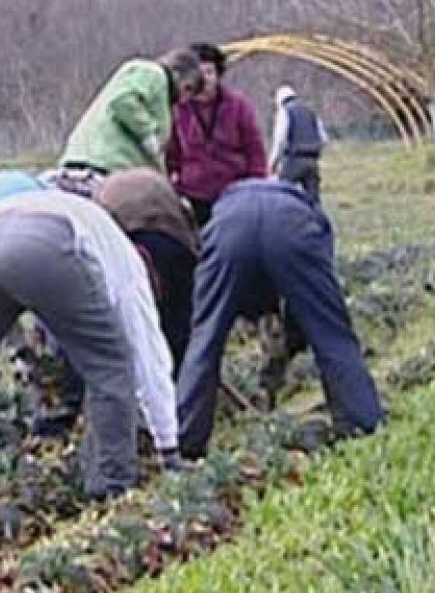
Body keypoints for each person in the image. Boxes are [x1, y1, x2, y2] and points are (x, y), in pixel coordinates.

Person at [0, 173, 182, 500]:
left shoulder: (86, 216)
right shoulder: (129, 267)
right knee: (111, 365)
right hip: (41, 243)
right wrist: (168, 444)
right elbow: (147, 350)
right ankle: (110, 488)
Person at [176, 179, 382, 459]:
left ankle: (186, 442)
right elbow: (311, 304)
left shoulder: (223, 208)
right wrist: (296, 335)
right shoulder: (309, 212)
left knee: (204, 340)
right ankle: (361, 424)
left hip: (229, 230)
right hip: (292, 228)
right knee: (332, 336)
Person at [95, 168, 200, 373]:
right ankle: (181, 379)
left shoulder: (106, 189)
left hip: (125, 245)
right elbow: (191, 230)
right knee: (178, 322)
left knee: (133, 318)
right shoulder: (157, 184)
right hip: (169, 242)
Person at [58, 48, 206, 189]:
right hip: (103, 164)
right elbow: (123, 100)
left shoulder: (164, 102)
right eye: (187, 88)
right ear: (177, 73)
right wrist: (147, 134)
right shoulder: (152, 73)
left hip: (112, 169)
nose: (184, 99)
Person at [165, 43, 267, 227]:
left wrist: (256, 190)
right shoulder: (178, 109)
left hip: (234, 193)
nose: (204, 80)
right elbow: (172, 153)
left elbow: (254, 150)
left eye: (209, 73)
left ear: (219, 75)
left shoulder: (238, 105)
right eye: (199, 73)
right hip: (193, 195)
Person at [268, 84, 329, 203]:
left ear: (279, 100)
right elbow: (324, 138)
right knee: (314, 201)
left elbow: (280, 140)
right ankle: (316, 220)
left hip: (293, 160)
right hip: (312, 162)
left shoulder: (285, 111)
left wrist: (273, 163)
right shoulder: (310, 112)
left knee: (282, 195)